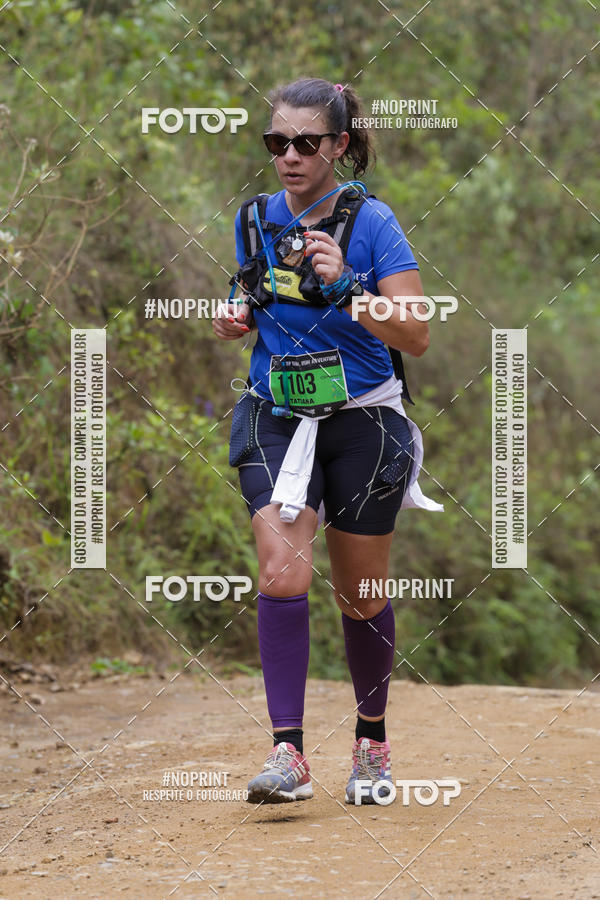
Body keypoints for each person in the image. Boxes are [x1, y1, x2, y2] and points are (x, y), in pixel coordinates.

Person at [213, 77, 442, 805]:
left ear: (339, 145)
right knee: (282, 571)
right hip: (274, 413)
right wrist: (235, 315)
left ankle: (370, 744)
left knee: (359, 594)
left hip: (364, 422)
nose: (288, 156)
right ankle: (289, 755)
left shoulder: (373, 222)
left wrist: (348, 287)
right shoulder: (254, 219)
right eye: (275, 142)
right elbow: (250, 293)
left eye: (305, 143)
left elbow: (418, 333)